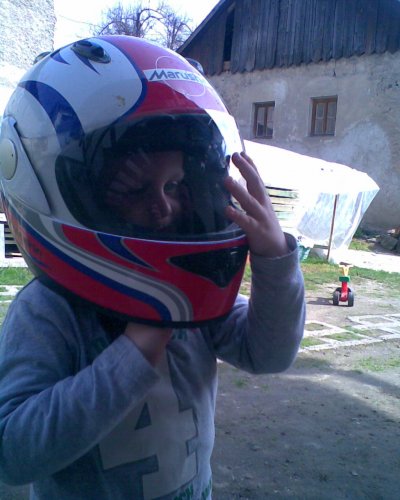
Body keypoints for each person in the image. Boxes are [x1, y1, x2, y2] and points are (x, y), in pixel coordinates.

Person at [0, 36, 305, 499]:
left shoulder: (189, 293)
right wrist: (134, 352)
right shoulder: (48, 312)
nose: (163, 207)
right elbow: (13, 452)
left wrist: (274, 258)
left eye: (175, 185)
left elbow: (269, 354)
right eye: (135, 190)